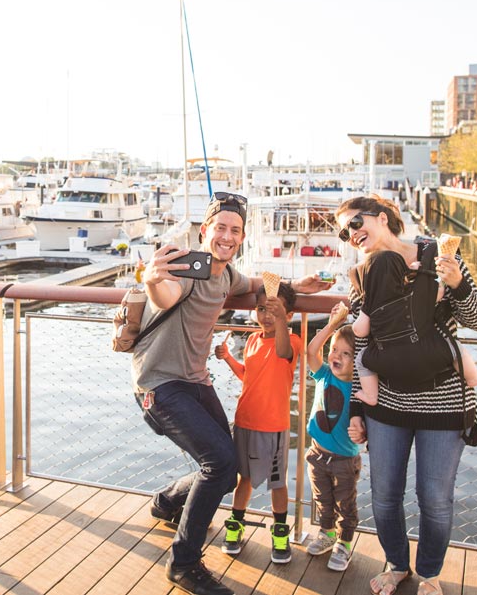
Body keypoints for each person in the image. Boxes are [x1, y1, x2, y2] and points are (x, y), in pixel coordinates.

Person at [133, 191, 332, 595]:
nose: (227, 236)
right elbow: (166, 295)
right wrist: (154, 282)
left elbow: (256, 282)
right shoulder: (186, 270)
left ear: (241, 238)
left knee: (229, 469)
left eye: (235, 231)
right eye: (220, 228)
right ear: (205, 230)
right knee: (220, 464)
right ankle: (183, 563)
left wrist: (296, 284)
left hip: (195, 380)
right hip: (160, 384)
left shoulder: (226, 276)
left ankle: (168, 502)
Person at [336, 195, 477, 595]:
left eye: (355, 223)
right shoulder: (359, 275)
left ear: (383, 218)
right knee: (385, 496)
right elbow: (361, 349)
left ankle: (429, 574)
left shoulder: (438, 254)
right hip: (387, 403)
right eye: (343, 231)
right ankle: (398, 565)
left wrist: (456, 284)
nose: (350, 234)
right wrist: (356, 407)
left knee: (434, 498)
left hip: (443, 399)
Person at [214, 281, 302, 564]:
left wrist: (279, 323)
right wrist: (227, 357)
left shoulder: (292, 342)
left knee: (277, 483)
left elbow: (282, 352)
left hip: (274, 425)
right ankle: (236, 525)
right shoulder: (252, 340)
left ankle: (279, 533)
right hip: (245, 421)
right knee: (246, 479)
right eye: (261, 309)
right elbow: (247, 376)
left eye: (275, 311)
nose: (266, 316)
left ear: (288, 316)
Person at [352, 250, 477, 406]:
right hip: (425, 355)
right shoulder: (412, 294)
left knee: (361, 359)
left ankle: (371, 395)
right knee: (456, 349)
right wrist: (419, 274)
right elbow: (439, 292)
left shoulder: (370, 303)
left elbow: (359, 331)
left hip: (387, 359)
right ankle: (473, 377)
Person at [304, 305, 361, 572]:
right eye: (335, 349)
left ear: (358, 359)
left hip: (343, 459)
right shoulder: (324, 373)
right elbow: (310, 351)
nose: (336, 355)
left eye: (346, 353)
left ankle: (344, 543)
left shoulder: (359, 387)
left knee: (345, 503)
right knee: (322, 500)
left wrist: (363, 432)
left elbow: (366, 422)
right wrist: (331, 325)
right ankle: (326, 533)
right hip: (316, 454)